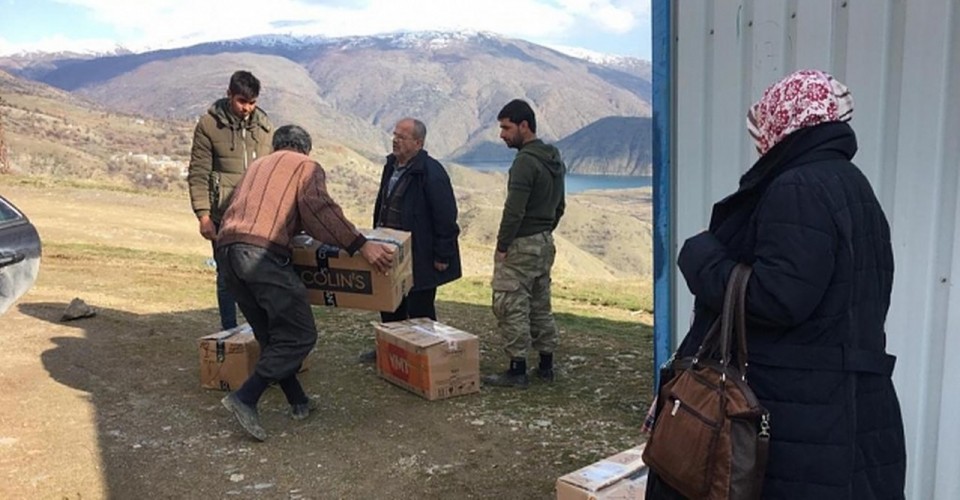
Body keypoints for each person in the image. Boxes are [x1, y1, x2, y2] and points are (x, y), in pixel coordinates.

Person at [645, 70, 906, 498]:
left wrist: (701, 256)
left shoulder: (798, 186)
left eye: (763, 126)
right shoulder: (851, 184)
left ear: (786, 122)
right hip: (842, 409)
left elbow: (777, 298)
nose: (759, 141)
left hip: (796, 416)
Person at [215, 125, 395, 441]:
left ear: (277, 146)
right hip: (260, 254)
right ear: (306, 149)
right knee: (300, 334)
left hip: (227, 250)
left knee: (270, 333)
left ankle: (298, 400)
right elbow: (318, 209)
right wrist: (360, 244)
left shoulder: (257, 166)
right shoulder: (305, 166)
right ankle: (245, 397)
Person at [359, 118, 462, 362]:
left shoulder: (431, 173)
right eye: (394, 135)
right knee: (389, 303)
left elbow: (446, 216)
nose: (395, 140)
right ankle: (390, 349)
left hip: (420, 253)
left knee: (420, 309)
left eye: (402, 137)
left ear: (418, 143)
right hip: (389, 249)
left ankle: (426, 357)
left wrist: (442, 255)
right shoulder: (391, 166)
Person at [482, 99, 565, 388]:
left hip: (522, 243)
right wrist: (544, 231)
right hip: (544, 241)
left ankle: (517, 370)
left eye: (506, 128)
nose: (502, 134)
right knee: (540, 303)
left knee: (510, 303)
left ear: (524, 126)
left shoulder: (525, 162)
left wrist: (503, 245)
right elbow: (560, 206)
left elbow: (514, 210)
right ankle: (546, 365)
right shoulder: (553, 158)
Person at [187, 70, 273, 331]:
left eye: (252, 102)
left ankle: (261, 333)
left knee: (259, 275)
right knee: (227, 277)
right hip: (222, 216)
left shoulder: (264, 127)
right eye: (242, 101)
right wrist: (203, 215)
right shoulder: (209, 126)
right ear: (229, 95)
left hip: (257, 216)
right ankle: (229, 332)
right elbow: (198, 173)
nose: (247, 108)